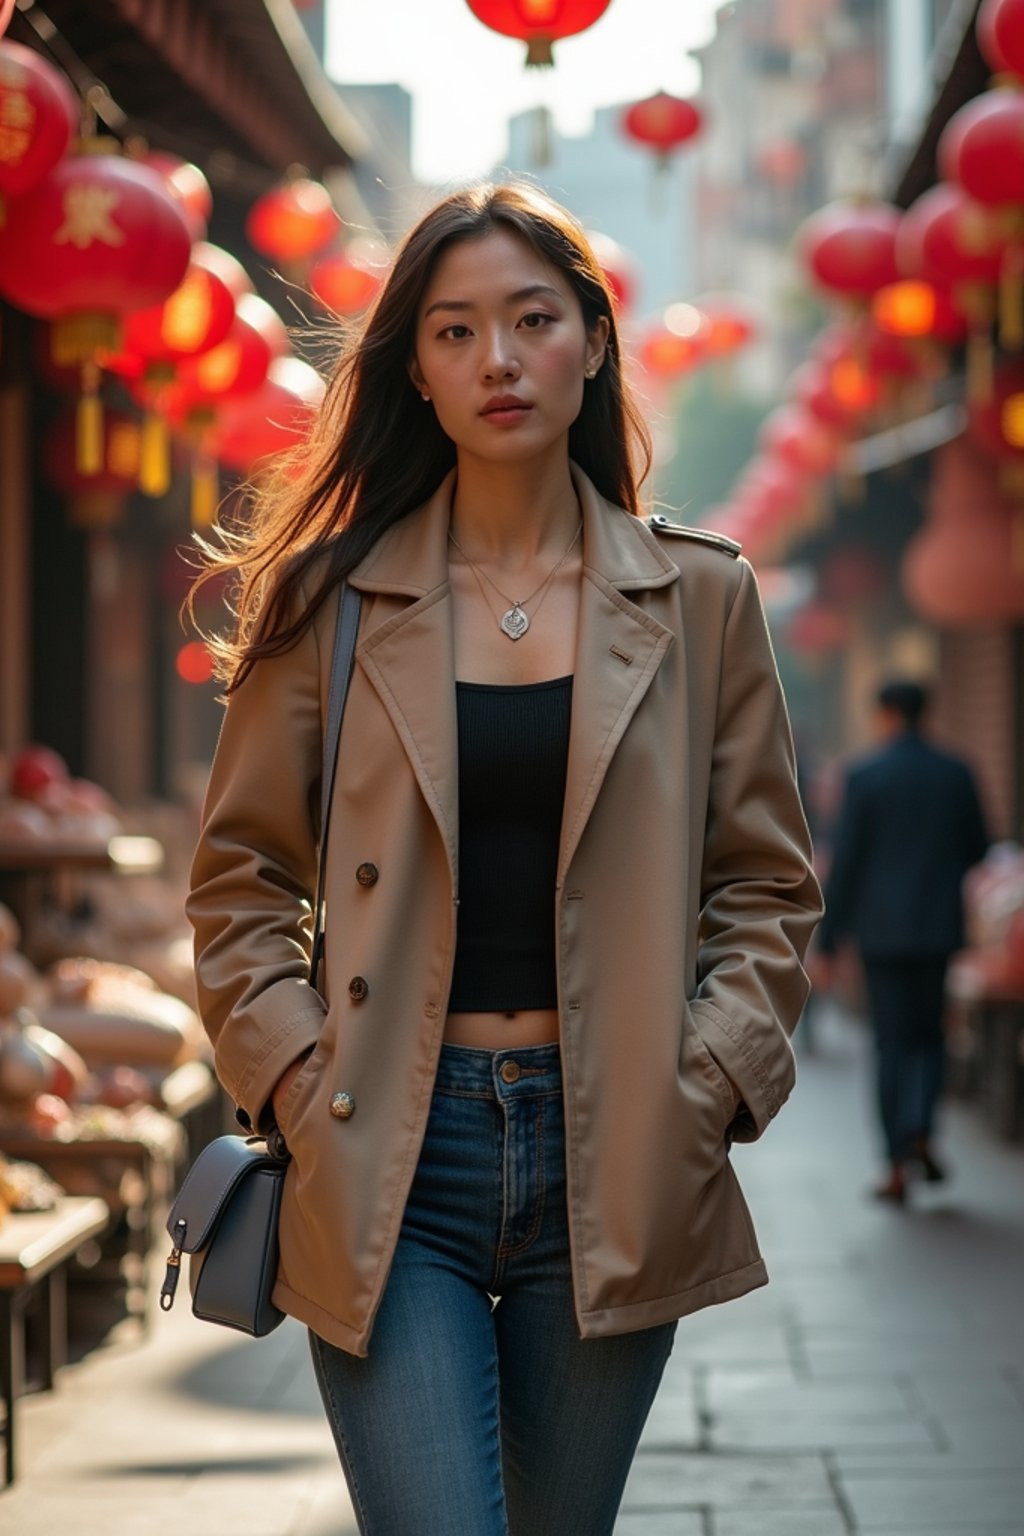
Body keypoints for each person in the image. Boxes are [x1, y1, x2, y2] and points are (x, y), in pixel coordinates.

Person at [186, 180, 821, 1536]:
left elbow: (765, 883)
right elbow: (241, 880)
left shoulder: (700, 597)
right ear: (414, 365)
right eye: (456, 330)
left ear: (592, 342)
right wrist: (296, 1075)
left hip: (620, 1142)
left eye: (532, 320)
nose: (499, 360)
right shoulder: (327, 600)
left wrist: (705, 1081)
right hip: (386, 1149)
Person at [815, 677, 989, 1203]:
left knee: (890, 1043)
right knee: (931, 1036)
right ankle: (922, 1130)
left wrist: (829, 938)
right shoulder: (956, 772)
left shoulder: (865, 775)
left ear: (886, 714)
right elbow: (978, 848)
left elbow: (847, 863)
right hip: (937, 929)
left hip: (882, 934)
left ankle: (893, 1163)